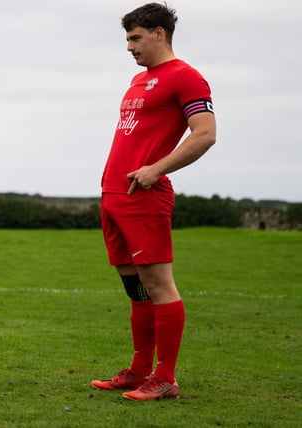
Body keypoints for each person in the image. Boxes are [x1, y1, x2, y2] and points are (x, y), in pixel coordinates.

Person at [91, 3, 216, 400]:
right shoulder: (137, 80)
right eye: (127, 39)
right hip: (114, 196)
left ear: (159, 33)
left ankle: (165, 379)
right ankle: (139, 370)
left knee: (159, 285)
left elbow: (205, 134)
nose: (129, 47)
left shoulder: (187, 77)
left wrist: (156, 169)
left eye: (135, 38)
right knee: (136, 288)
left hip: (144, 197)